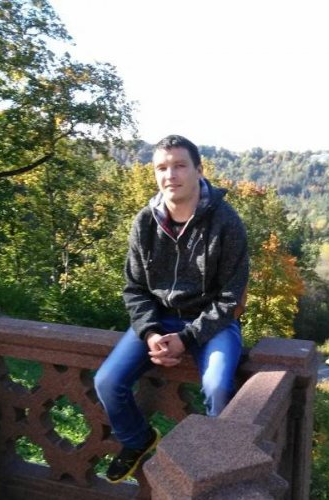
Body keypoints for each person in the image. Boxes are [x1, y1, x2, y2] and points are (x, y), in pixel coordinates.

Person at [94, 134, 249, 483]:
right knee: (107, 381)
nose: (170, 175)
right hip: (159, 319)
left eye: (179, 165)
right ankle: (138, 439)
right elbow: (135, 288)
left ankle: (218, 467)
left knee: (218, 387)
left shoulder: (225, 222)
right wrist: (150, 332)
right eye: (162, 168)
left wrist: (187, 338)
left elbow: (230, 298)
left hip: (212, 322)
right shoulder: (145, 222)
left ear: (199, 170)